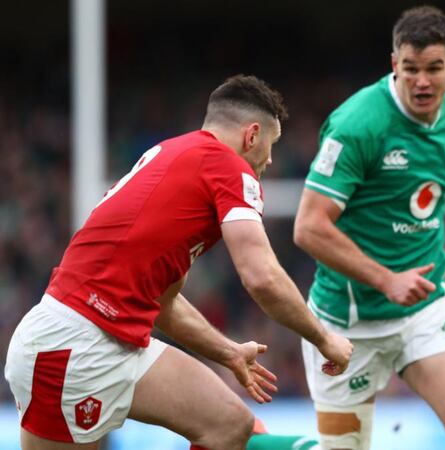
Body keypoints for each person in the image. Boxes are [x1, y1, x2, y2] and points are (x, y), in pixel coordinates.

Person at [4, 74, 353, 450]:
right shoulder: (229, 167)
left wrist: (228, 352)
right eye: (271, 146)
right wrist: (324, 338)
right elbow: (261, 277)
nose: (269, 160)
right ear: (252, 135)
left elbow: (163, 304)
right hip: (74, 345)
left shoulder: (172, 155)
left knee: (229, 426)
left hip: (108, 339)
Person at [293, 6, 445, 450]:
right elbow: (308, 227)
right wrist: (386, 279)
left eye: (433, 69)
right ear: (394, 65)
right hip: (346, 322)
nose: (422, 82)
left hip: (425, 309)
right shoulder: (357, 125)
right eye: (410, 70)